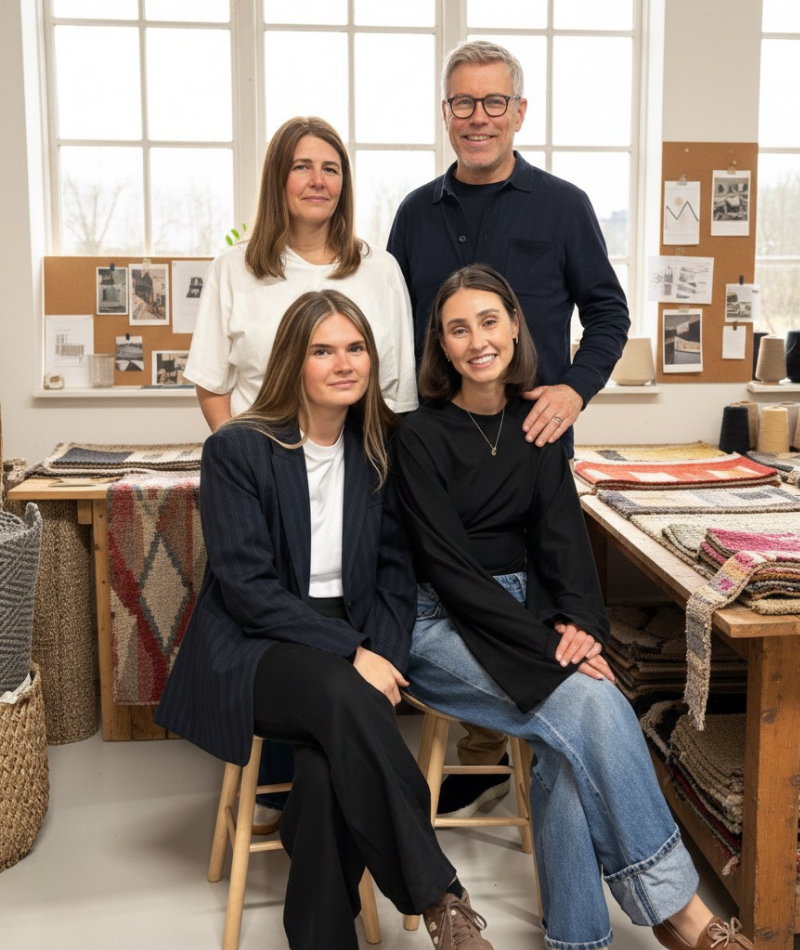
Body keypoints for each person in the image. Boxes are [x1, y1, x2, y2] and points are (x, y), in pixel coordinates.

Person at [393, 264, 754, 950]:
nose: (477, 341)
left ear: (515, 326)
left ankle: (579, 938)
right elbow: (451, 572)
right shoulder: (418, 435)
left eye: (489, 321)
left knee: (566, 747)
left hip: (525, 610)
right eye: (457, 329)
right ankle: (684, 915)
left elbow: (564, 541)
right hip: (439, 621)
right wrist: (545, 645)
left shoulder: (540, 424)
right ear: (440, 345)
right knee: (593, 705)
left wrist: (582, 627)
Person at [156, 289, 495, 950]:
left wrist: (383, 653)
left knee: (324, 768)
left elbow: (396, 574)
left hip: (353, 634)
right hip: (256, 643)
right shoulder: (238, 449)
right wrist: (352, 653)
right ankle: (440, 898)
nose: (344, 363)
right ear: (294, 361)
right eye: (323, 350)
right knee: (345, 693)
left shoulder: (383, 448)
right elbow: (247, 588)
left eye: (356, 347)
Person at [387, 39, 631, 809]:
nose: (479, 117)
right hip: (439, 454)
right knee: (462, 582)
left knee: (539, 581)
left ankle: (506, 749)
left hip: (533, 442)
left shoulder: (563, 206)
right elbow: (394, 332)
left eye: (495, 102)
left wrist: (575, 391)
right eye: (464, 102)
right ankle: (499, 737)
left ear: (519, 112)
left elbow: (609, 313)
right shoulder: (415, 214)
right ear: (446, 113)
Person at [184, 115, 418, 834]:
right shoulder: (237, 268)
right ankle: (290, 794)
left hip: (349, 473)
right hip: (267, 485)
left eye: (331, 167)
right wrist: (253, 470)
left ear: (345, 183)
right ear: (277, 180)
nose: (318, 180)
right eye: (302, 166)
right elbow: (213, 383)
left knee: (332, 625)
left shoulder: (377, 270)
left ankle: (312, 814)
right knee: (281, 625)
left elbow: (396, 392)